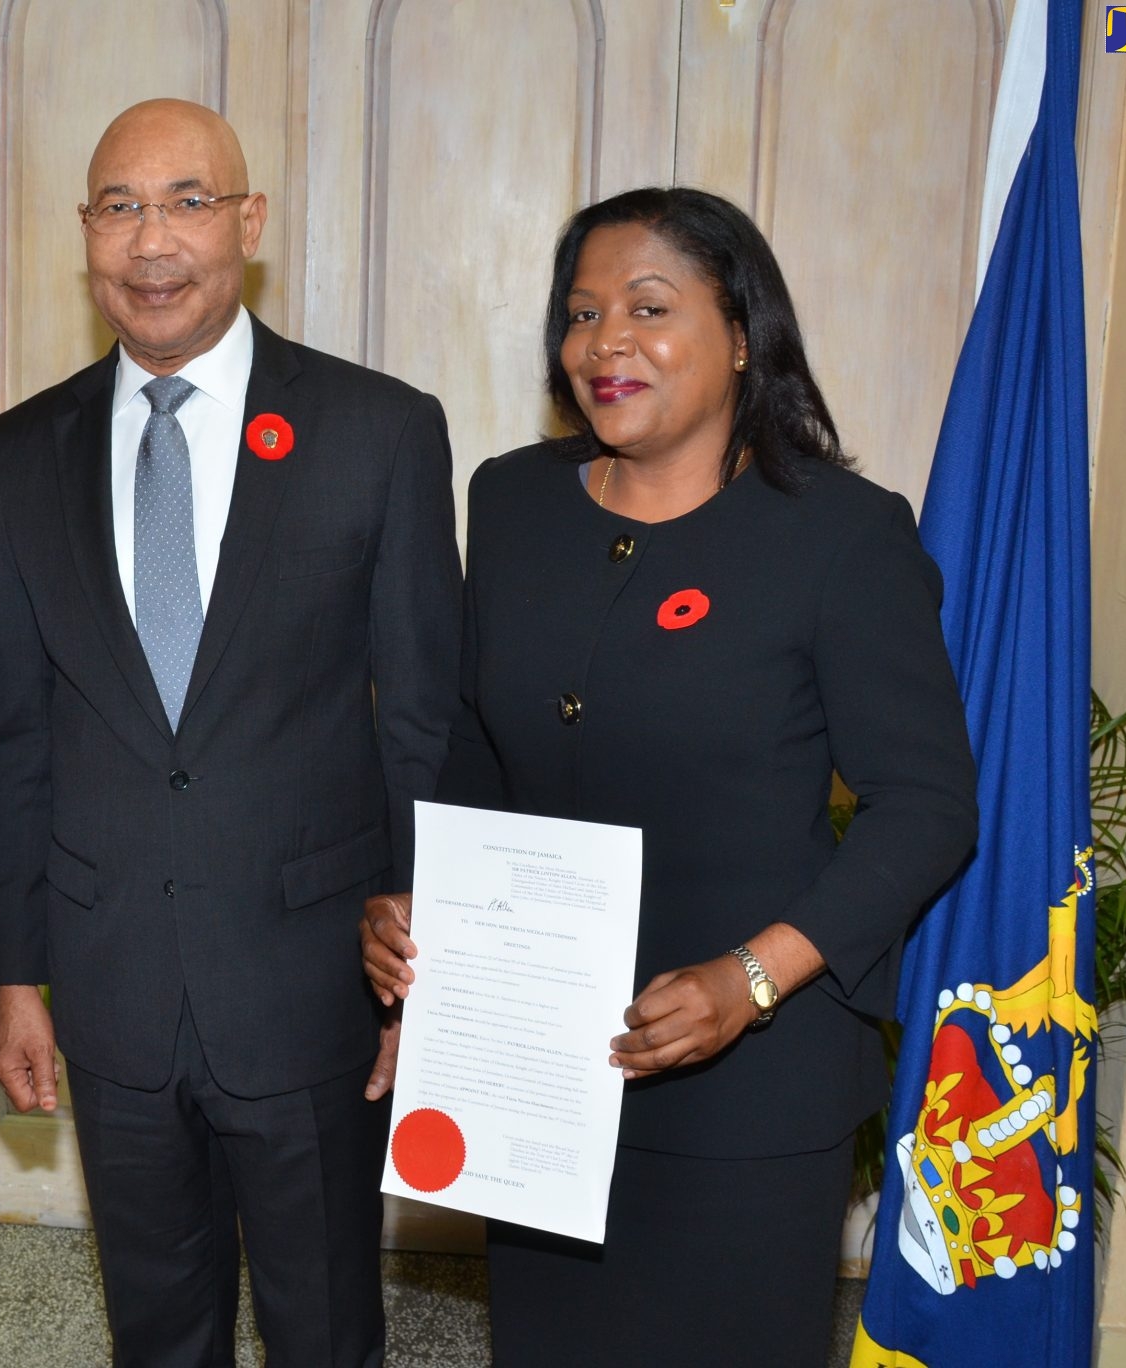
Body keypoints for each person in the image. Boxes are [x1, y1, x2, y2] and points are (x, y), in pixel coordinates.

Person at [360, 186, 979, 1366]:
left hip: (752, 1082)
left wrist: (752, 979)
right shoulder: (513, 499)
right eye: (582, 313)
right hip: (537, 1066)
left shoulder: (839, 534)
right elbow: (471, 746)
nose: (606, 342)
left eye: (648, 306)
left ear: (741, 332)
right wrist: (418, 905)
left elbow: (927, 805)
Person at [0, 99, 461, 1366]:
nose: (151, 242)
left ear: (248, 224)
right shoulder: (16, 453)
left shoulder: (378, 432)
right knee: (155, 1330)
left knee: (322, 1329)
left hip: (312, 982)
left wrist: (428, 976)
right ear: (83, 234)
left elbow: (419, 724)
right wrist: (15, 976)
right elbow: (14, 736)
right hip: (109, 983)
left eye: (187, 202)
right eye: (119, 207)